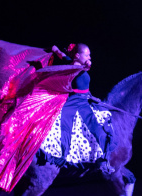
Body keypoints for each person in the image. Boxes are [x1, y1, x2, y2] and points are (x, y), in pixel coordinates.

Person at [41, 43, 116, 174]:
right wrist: (87, 65)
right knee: (66, 129)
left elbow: (64, 57)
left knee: (98, 128)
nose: (89, 57)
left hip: (84, 101)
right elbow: (84, 68)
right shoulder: (75, 68)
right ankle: (63, 158)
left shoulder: (73, 62)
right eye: (87, 55)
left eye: (89, 55)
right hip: (73, 102)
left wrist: (57, 50)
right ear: (77, 55)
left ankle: (104, 160)